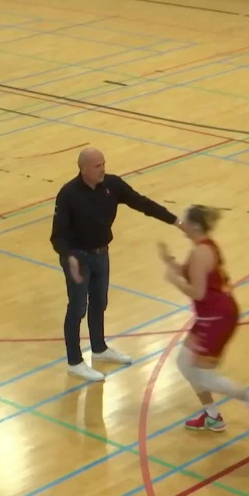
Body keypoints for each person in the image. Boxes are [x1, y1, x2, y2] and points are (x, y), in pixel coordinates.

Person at [50, 147, 186, 382]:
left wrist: (175, 221)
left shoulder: (112, 186)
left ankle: (99, 348)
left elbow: (142, 203)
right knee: (77, 308)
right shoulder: (68, 194)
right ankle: (74, 362)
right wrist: (69, 256)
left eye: (103, 163)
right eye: (97, 166)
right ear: (83, 169)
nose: (102, 169)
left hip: (101, 254)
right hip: (78, 257)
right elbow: (57, 235)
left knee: (100, 302)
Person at [158, 205, 249, 431]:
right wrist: (170, 262)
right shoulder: (204, 247)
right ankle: (212, 415)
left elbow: (198, 292)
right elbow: (191, 273)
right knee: (184, 363)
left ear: (194, 225)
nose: (182, 227)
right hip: (212, 314)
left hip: (216, 317)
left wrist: (174, 281)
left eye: (185, 223)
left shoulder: (200, 252)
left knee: (202, 374)